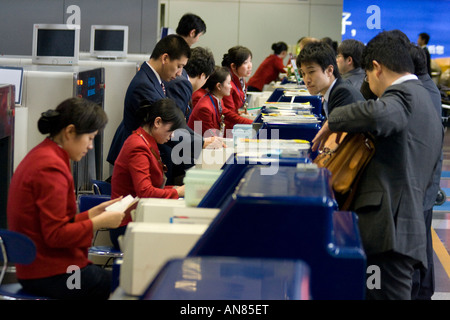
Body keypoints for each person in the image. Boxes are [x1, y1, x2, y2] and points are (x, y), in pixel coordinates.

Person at [311, 30, 443, 300]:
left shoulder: (404, 97)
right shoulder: (425, 98)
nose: (369, 84)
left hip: (390, 234)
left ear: (376, 68)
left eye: (369, 77)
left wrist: (333, 119)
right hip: (399, 231)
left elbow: (380, 114)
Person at [7, 98, 125, 300]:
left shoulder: (43, 155)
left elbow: (56, 223)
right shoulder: (50, 168)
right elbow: (56, 234)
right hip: (52, 275)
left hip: (40, 268)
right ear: (70, 132)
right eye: (89, 138)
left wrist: (91, 214)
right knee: (125, 283)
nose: (90, 147)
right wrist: (98, 223)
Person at [109, 98, 186, 250]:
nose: (171, 136)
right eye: (170, 131)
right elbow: (145, 192)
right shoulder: (138, 146)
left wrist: (175, 188)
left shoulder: (145, 141)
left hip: (139, 216)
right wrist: (177, 191)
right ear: (157, 122)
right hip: (127, 225)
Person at [107, 34, 191, 167]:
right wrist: (201, 143)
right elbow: (167, 125)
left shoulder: (153, 80)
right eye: (179, 66)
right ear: (165, 58)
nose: (180, 73)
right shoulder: (144, 86)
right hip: (139, 161)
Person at [409, 43, 443, 300]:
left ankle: (421, 293)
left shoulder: (419, 92)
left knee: (419, 248)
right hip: (426, 182)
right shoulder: (425, 87)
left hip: (422, 183)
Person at [296, 41, 365, 120]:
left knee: (279, 132)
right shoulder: (332, 92)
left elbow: (337, 131)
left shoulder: (342, 93)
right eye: (303, 74)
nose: (306, 80)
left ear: (329, 70)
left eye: (311, 72)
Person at [188, 66, 231, 137]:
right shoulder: (205, 107)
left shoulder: (216, 99)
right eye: (229, 83)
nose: (231, 86)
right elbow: (211, 136)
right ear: (219, 86)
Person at [221, 46, 254, 136]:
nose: (250, 66)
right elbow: (229, 114)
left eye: (250, 61)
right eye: (245, 63)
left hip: (235, 124)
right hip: (229, 130)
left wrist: (239, 113)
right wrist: (253, 122)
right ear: (233, 66)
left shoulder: (241, 79)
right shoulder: (228, 84)